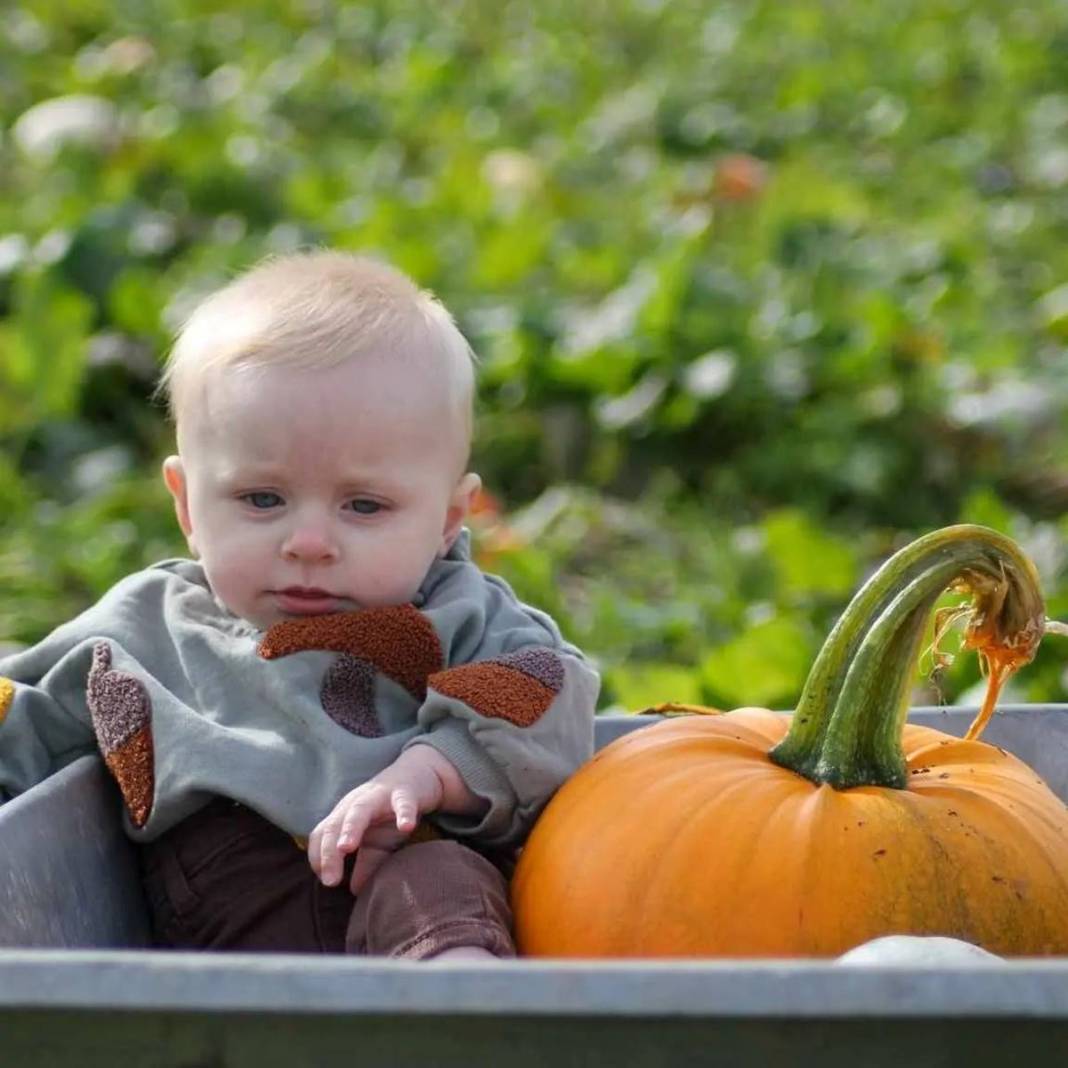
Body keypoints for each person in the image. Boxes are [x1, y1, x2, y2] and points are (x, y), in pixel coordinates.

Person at [0, 250, 599, 960]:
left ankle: (462, 1012)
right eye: (262, 499)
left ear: (448, 518)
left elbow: (550, 703)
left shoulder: (462, 617)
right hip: (218, 939)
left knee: (436, 877)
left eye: (364, 505)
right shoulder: (138, 632)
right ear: (188, 505)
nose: (309, 542)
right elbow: (23, 717)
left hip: (405, 901)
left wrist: (425, 774)